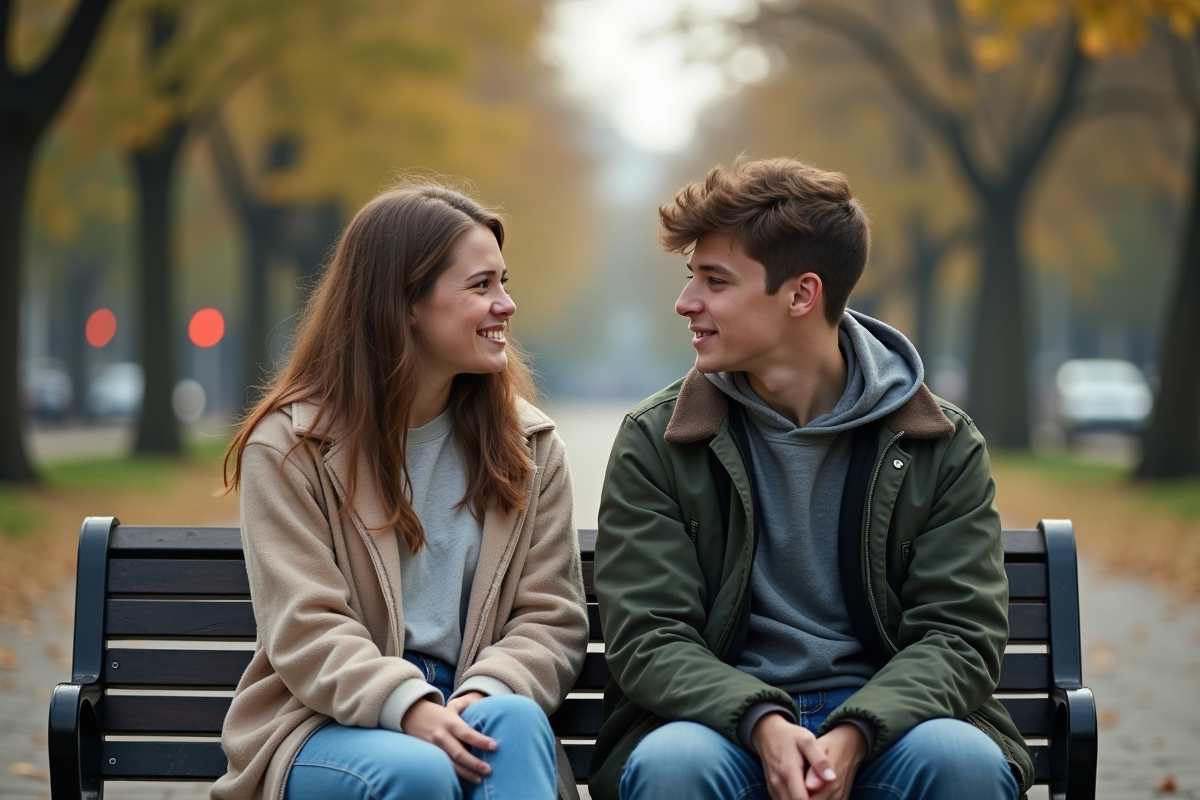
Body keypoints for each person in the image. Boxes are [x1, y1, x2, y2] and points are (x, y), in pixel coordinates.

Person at [589, 157, 1033, 800]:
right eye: (692, 279)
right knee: (673, 767)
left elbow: (959, 636)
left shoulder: (941, 442)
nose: (686, 303)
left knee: (963, 762)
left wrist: (855, 732)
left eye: (715, 282)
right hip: (718, 724)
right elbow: (650, 636)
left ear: (802, 294)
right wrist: (763, 723)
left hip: (894, 724)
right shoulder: (657, 441)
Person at [212, 183, 589, 800]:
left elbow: (551, 616)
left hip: (479, 702)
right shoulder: (290, 448)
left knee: (515, 719)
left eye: (503, 281)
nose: (507, 304)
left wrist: (478, 695)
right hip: (323, 724)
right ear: (407, 303)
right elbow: (305, 625)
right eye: (481, 286)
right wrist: (410, 706)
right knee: (419, 770)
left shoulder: (530, 448)